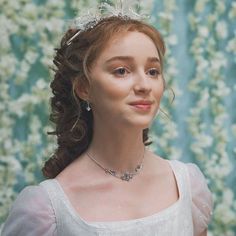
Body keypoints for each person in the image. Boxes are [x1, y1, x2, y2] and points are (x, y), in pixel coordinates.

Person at [2, 2, 213, 236]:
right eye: (121, 70)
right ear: (84, 88)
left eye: (153, 71)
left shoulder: (187, 186)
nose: (144, 85)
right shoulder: (47, 209)